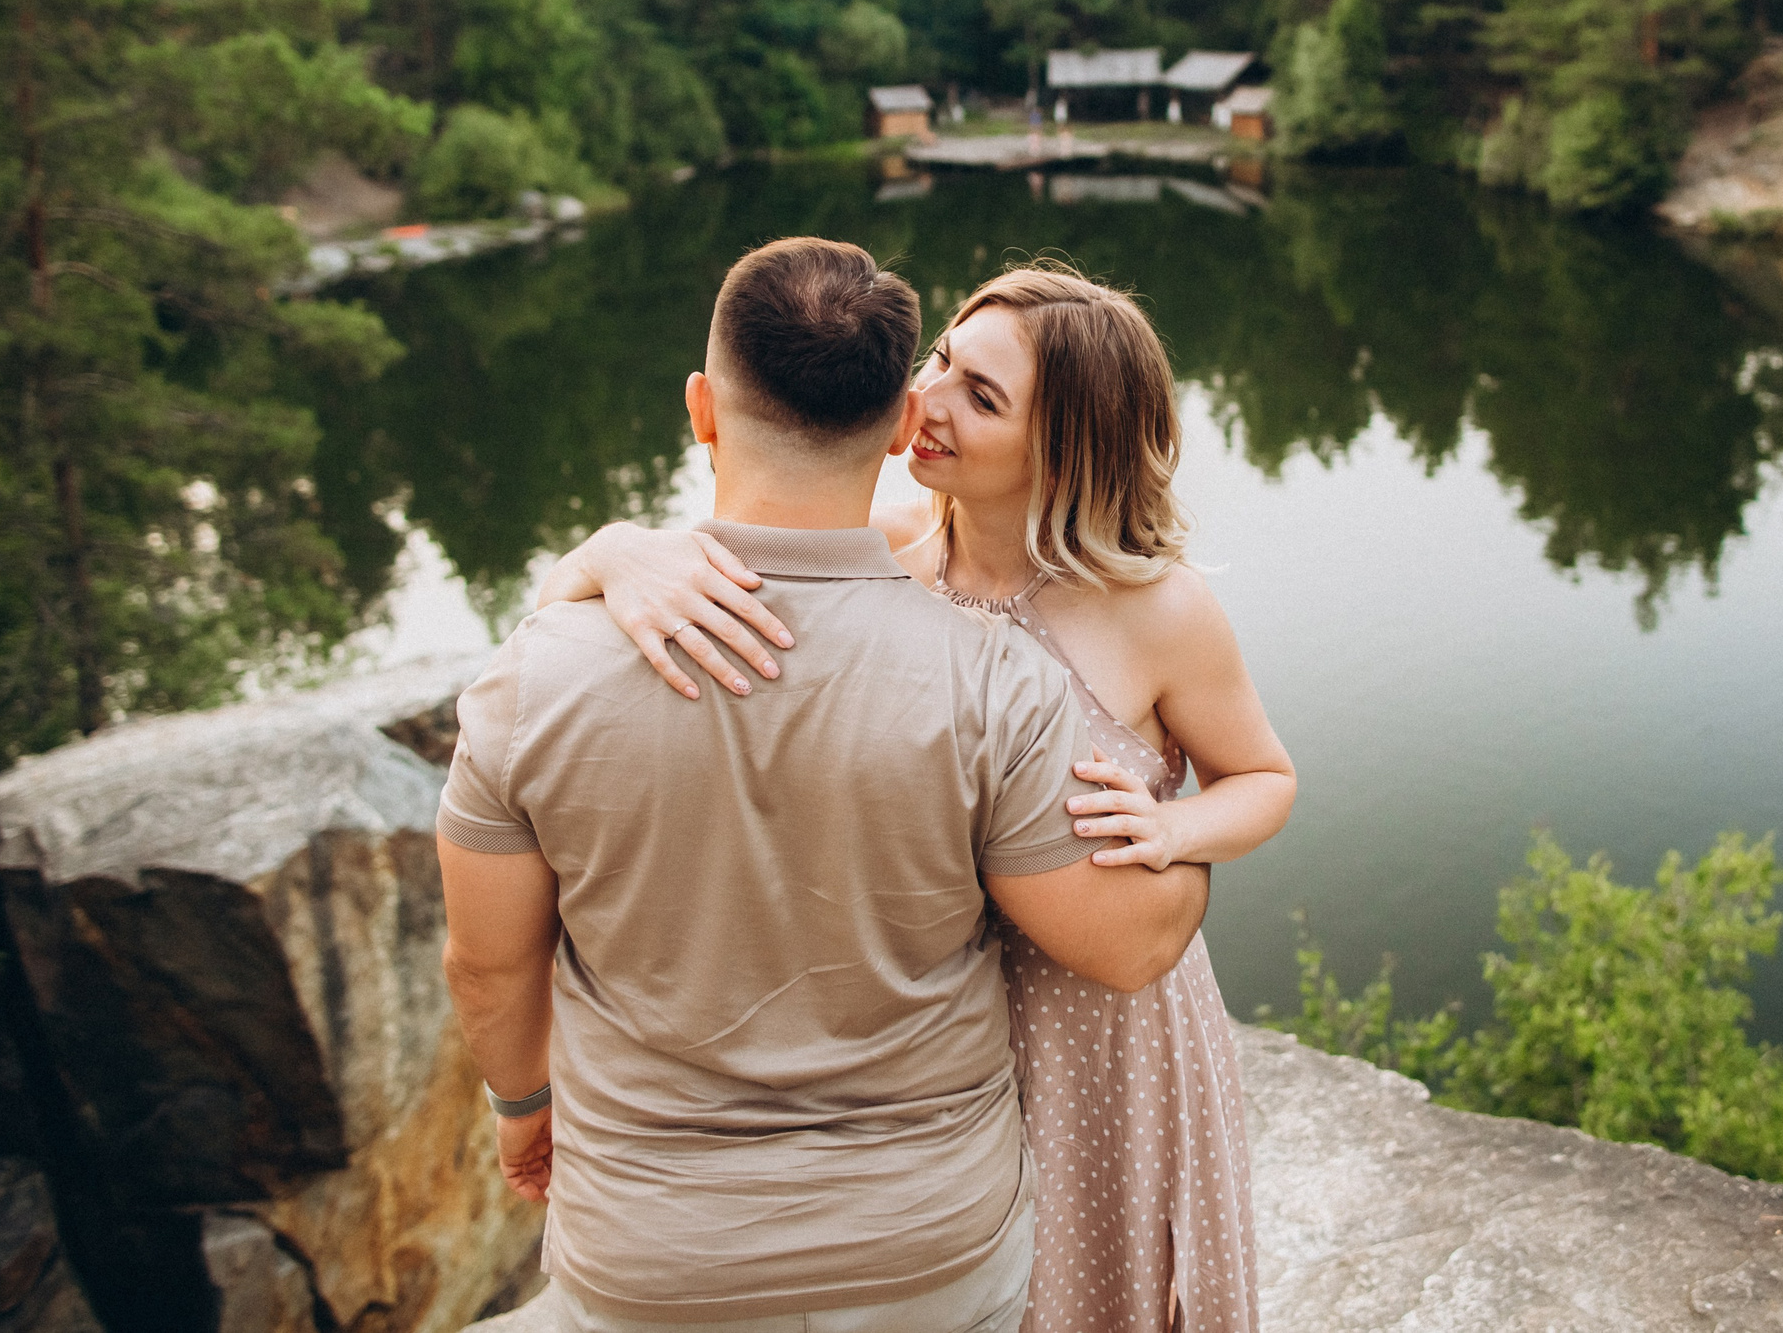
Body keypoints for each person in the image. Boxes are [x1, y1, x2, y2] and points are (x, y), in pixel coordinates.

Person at [438, 239, 1213, 1333]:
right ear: (904, 423)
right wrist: (1184, 829)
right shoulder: (994, 680)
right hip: (929, 1254)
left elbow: (483, 962)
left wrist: (523, 1107)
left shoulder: (538, 676)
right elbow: (1127, 945)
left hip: (657, 1255)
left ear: (702, 409)